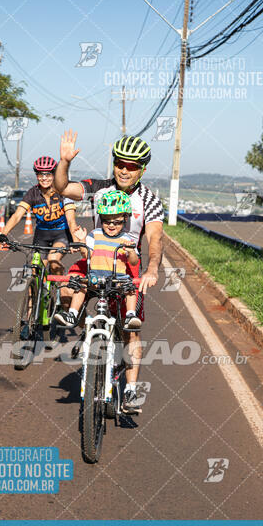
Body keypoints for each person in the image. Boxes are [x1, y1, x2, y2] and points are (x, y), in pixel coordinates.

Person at [54, 130, 164, 415]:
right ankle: (88, 326)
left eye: (131, 166)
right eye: (120, 163)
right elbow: (63, 188)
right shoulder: (98, 187)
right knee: (66, 291)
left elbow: (155, 240)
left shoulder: (149, 200)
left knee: (131, 333)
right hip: (95, 262)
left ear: (142, 169)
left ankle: (130, 392)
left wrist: (151, 269)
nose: (124, 170)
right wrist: (64, 162)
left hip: (126, 268)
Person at [55, 190, 141, 332]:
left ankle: (130, 316)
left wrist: (131, 251)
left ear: (125, 219)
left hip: (116, 280)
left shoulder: (127, 239)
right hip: (95, 278)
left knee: (130, 288)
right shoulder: (95, 234)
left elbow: (133, 261)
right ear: (101, 219)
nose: (111, 225)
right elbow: (86, 255)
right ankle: (72, 314)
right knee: (80, 286)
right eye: (106, 221)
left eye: (117, 222)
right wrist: (82, 240)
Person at [0, 156, 77, 274]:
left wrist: (75, 241)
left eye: (48, 174)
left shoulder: (63, 191)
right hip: (42, 235)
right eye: (40, 174)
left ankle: (59, 288)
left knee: (53, 260)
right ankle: (34, 292)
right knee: (35, 269)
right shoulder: (32, 193)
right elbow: (17, 216)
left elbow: (71, 220)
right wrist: (3, 234)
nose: (44, 178)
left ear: (55, 175)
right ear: (36, 175)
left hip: (61, 233)